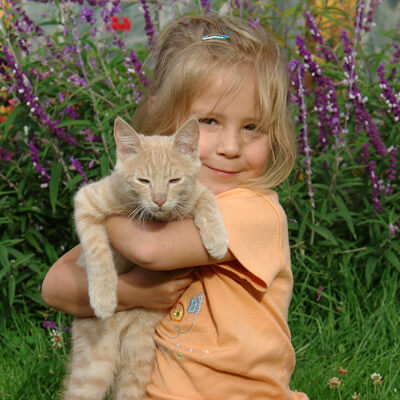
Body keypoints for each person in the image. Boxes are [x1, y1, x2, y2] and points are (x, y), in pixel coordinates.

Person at [42, 15, 309, 400]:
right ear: (164, 125)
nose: (230, 146)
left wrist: (103, 209)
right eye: (209, 122)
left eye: (252, 127)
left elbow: (149, 249)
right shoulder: (153, 210)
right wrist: (134, 294)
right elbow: (55, 286)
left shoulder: (254, 211)